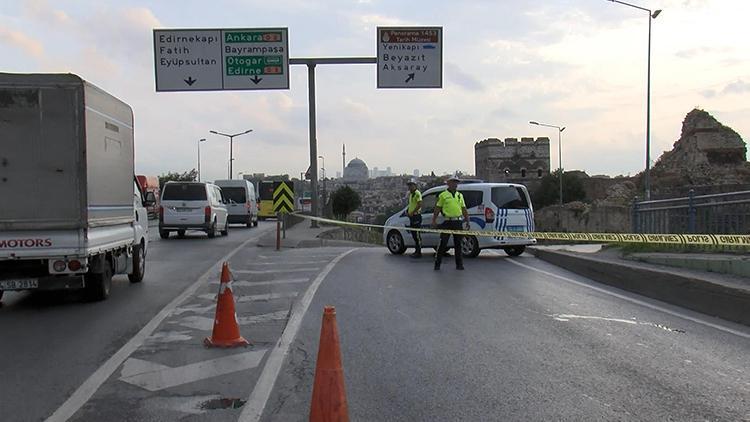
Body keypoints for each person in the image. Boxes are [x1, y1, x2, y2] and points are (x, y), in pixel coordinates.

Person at [431, 175, 469, 271]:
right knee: (443, 243)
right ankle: (437, 264)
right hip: (448, 221)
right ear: (448, 183)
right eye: (453, 182)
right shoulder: (443, 195)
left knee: (458, 244)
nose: (455, 184)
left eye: (456, 182)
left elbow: (463, 208)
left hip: (458, 221)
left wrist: (467, 220)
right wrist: (434, 220)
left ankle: (459, 265)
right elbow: (437, 208)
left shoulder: (459, 195)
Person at [406, 179, 423, 258]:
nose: (410, 187)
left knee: (416, 235)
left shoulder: (417, 193)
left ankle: (418, 252)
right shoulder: (410, 194)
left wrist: (412, 212)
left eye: (411, 185)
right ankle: (416, 250)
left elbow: (419, 204)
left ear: (415, 186)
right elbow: (411, 204)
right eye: (409, 185)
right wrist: (408, 211)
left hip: (416, 216)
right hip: (412, 216)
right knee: (414, 234)